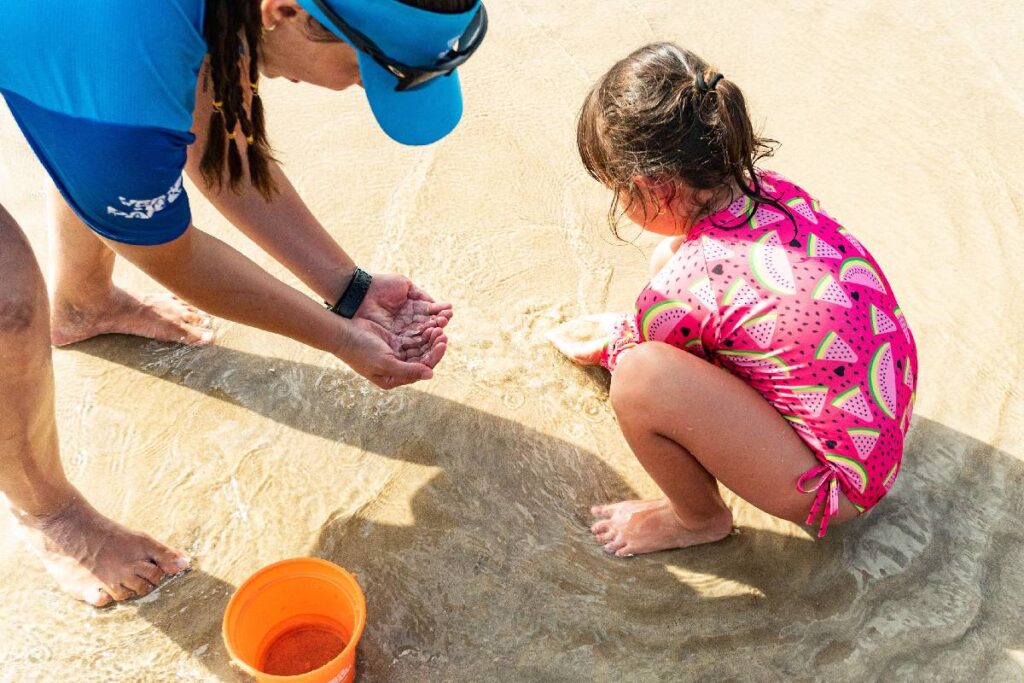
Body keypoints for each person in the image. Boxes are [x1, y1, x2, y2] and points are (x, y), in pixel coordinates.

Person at [0, 0, 486, 606]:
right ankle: (49, 513)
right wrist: (339, 339)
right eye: (364, 72)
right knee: (9, 303)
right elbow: (169, 253)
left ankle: (83, 304)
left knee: (104, 142)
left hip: (89, 54)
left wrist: (348, 288)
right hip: (99, 54)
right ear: (283, 10)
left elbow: (211, 130)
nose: (356, 90)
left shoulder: (212, 24)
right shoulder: (128, 87)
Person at [548, 43, 918, 557]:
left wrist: (616, 346)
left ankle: (697, 520)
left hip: (838, 489)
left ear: (651, 188)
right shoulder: (777, 193)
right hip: (883, 426)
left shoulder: (685, 286)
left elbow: (653, 364)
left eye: (617, 190)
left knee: (637, 378)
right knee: (669, 263)